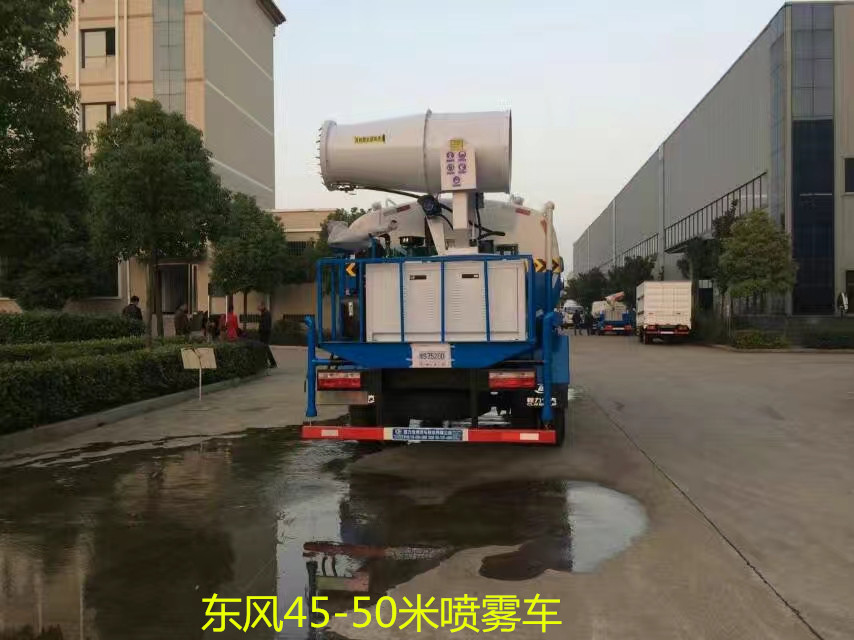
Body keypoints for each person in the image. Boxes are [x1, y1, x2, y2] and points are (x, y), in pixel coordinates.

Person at [257, 303, 277, 368]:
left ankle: (273, 363)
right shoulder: (264, 314)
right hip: (263, 333)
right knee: (263, 348)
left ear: (263, 306)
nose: (259, 309)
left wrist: (262, 330)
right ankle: (265, 363)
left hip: (265, 334)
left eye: (260, 307)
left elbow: (265, 325)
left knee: (265, 348)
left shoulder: (267, 314)